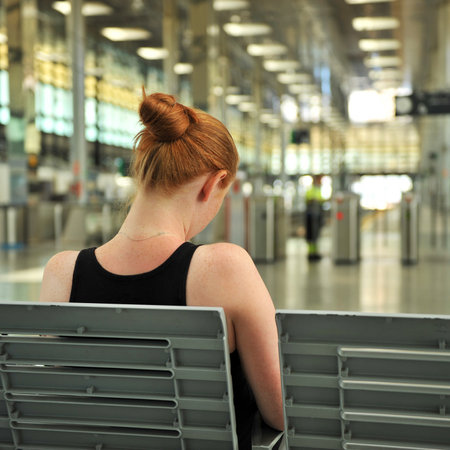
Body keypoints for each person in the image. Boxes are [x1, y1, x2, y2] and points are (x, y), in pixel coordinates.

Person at [39, 91, 284, 448]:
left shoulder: (61, 272)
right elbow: (280, 411)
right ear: (213, 184)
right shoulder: (225, 267)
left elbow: (63, 407)